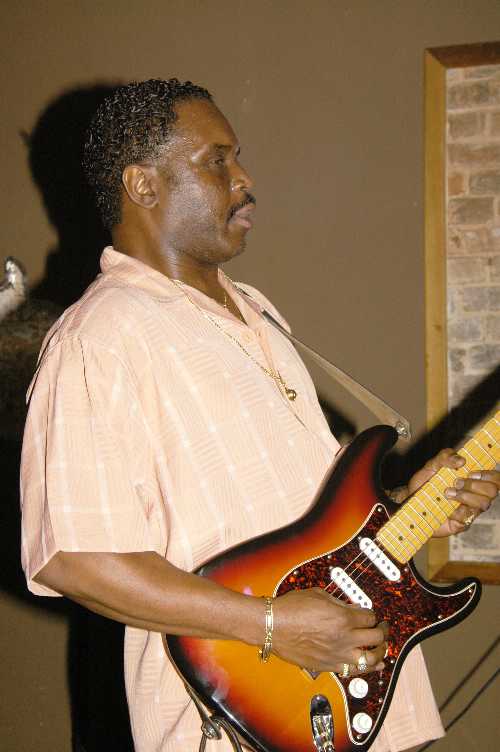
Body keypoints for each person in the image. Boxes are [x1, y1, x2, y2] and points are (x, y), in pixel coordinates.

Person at [20, 79, 499, 752]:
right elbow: (75, 559)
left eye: (237, 157)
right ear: (142, 185)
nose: (244, 179)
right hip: (239, 721)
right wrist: (272, 625)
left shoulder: (259, 314)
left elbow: (307, 527)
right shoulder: (99, 337)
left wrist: (406, 506)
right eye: (217, 161)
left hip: (358, 698)